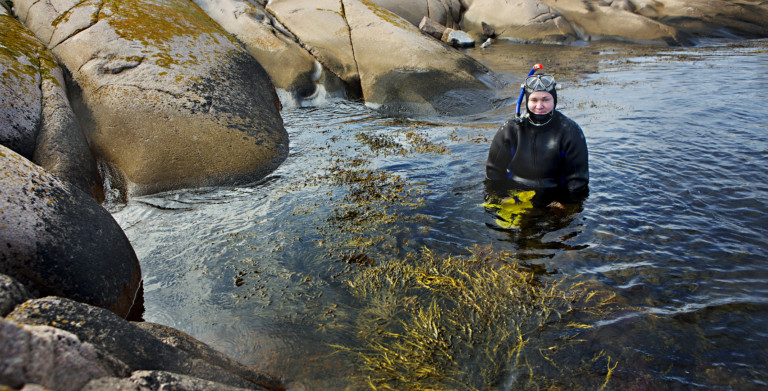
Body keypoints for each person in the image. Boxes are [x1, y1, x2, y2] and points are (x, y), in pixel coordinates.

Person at [486, 73, 589, 206]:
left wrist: (567, 203)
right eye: (534, 100)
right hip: (514, 194)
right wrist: (500, 197)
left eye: (546, 100)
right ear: (527, 101)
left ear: (554, 100)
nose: (539, 106)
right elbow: (493, 173)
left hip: (556, 198)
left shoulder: (570, 131)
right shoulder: (510, 130)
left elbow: (578, 180)